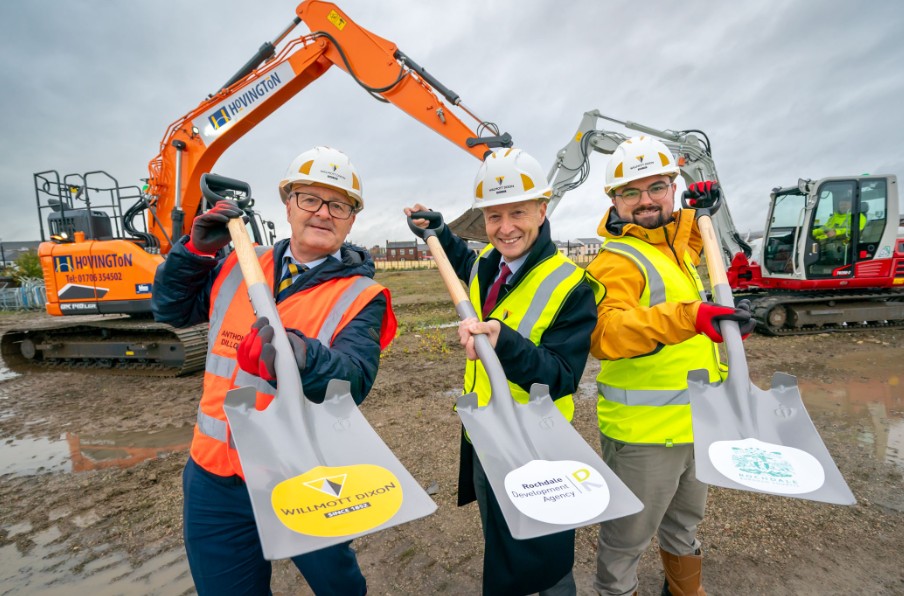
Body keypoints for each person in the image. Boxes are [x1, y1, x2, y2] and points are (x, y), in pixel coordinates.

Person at [151, 146, 397, 595]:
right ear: (287, 204)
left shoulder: (362, 296)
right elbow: (170, 308)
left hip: (303, 473)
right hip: (215, 477)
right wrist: (192, 254)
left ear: (351, 218)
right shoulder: (235, 263)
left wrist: (297, 356)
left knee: (340, 590)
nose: (323, 213)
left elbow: (353, 380)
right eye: (309, 199)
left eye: (338, 205)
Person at [404, 147, 603, 596]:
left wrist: (505, 342)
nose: (506, 227)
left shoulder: (570, 285)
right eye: (494, 217)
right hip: (485, 439)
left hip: (538, 447)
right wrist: (435, 232)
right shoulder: (487, 266)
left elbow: (561, 376)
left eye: (517, 212)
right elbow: (463, 262)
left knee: (543, 557)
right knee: (503, 540)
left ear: (542, 209)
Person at [586, 137, 754, 596]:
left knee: (684, 526)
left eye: (656, 187)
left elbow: (692, 233)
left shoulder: (679, 246)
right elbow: (607, 335)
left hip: (698, 423)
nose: (645, 201)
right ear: (613, 201)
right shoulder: (614, 263)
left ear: (672, 187)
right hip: (644, 434)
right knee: (627, 539)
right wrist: (692, 318)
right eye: (630, 193)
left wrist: (707, 208)